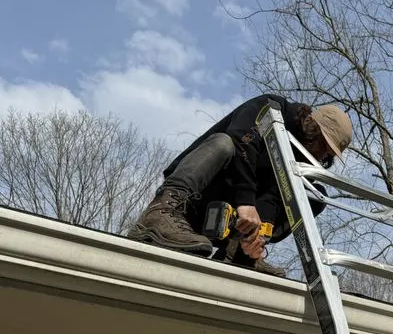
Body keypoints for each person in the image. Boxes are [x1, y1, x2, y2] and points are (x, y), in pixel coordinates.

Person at [127, 93, 352, 276]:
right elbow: (241, 141)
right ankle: (161, 213)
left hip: (232, 218)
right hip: (200, 194)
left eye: (328, 153)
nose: (322, 154)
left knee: (312, 195)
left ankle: (237, 252)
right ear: (313, 126)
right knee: (224, 143)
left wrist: (257, 239)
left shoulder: (300, 160)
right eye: (323, 145)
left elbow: (273, 198)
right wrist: (245, 200)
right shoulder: (272, 108)